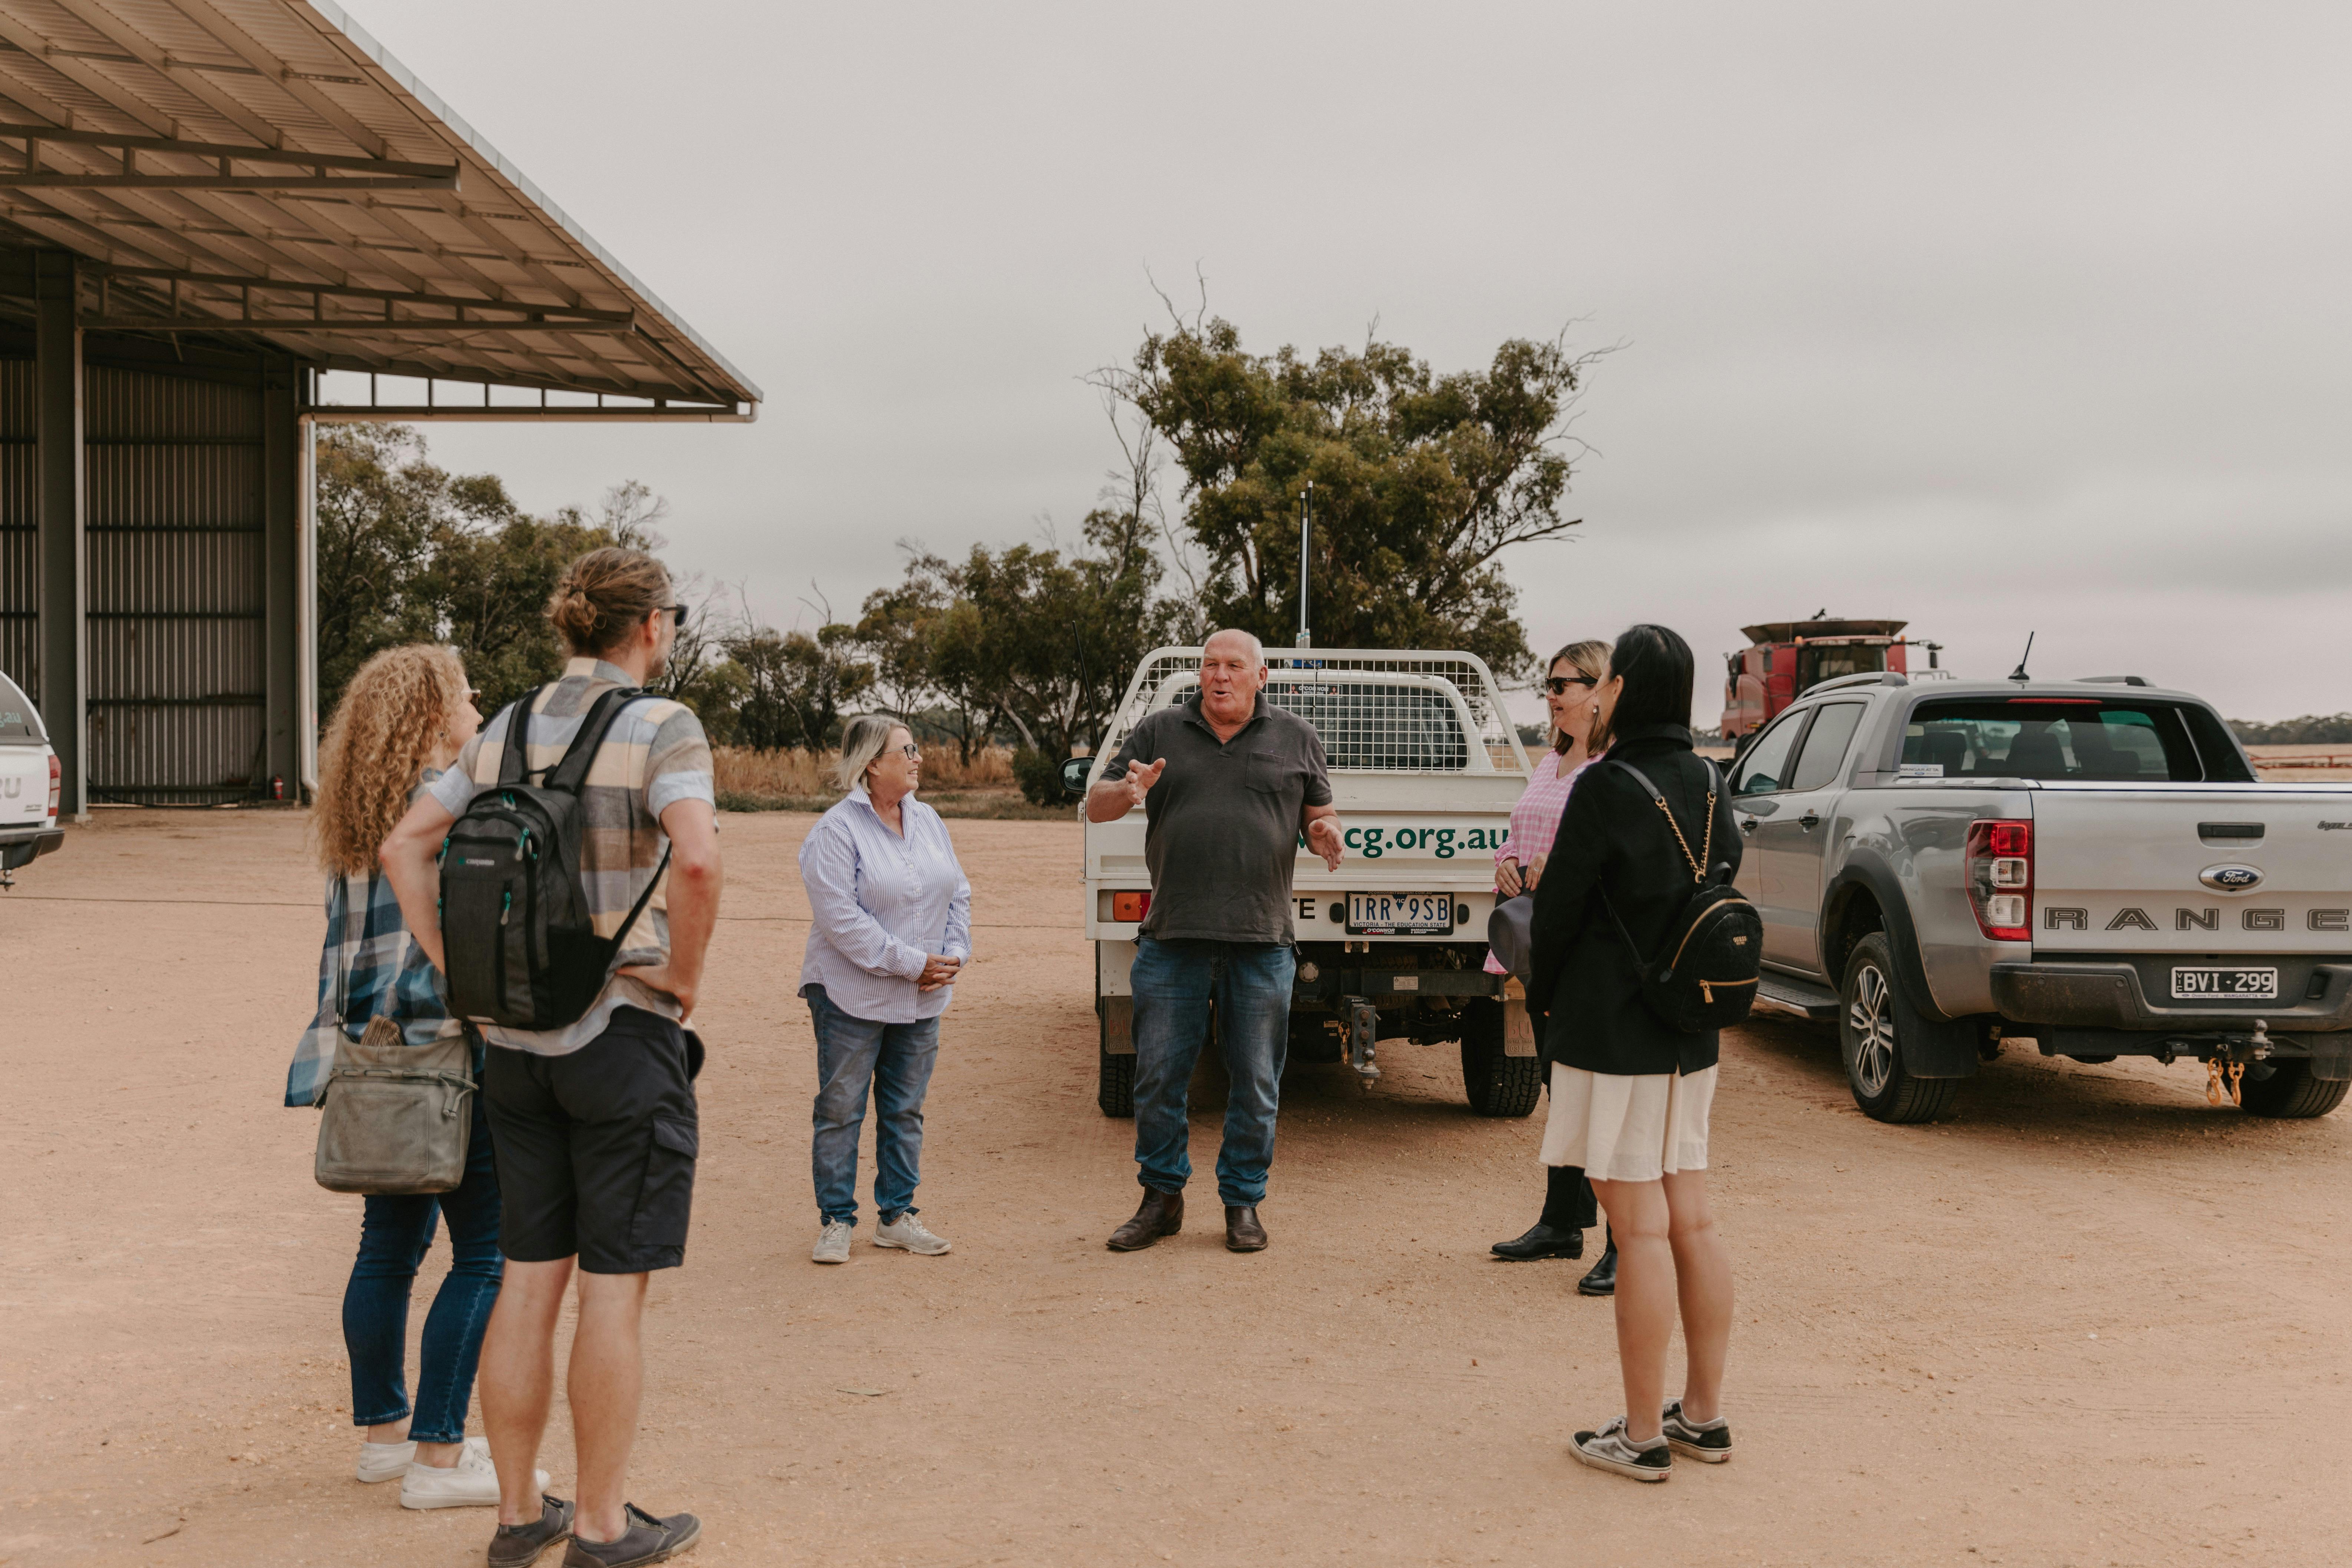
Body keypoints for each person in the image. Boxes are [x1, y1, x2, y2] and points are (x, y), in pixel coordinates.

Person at [380, 547, 723, 1567]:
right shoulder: (663, 725)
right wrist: (684, 975)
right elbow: (699, 854)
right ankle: (607, 1525)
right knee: (614, 1288)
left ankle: (517, 1512)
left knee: (528, 1275)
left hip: (515, 1045)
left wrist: (460, 975)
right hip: (621, 1033)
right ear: (652, 626)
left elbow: (407, 844)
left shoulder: (505, 724)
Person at [287, 645, 549, 1510]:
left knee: (387, 1251)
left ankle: (384, 1442)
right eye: (464, 692)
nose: (477, 701)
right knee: (485, 1256)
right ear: (432, 714)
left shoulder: (352, 819)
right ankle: (440, 1456)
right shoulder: (446, 815)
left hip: (367, 1060)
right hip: (447, 1061)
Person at [1526, 625, 1739, 1482]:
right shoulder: (1710, 781)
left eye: (1607, 677)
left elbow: (1558, 916)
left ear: (1624, 689)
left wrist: (1541, 993)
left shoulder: (1607, 785)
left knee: (1637, 1229)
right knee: (1691, 1217)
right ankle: (1703, 1416)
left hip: (1610, 1031)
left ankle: (1642, 1434)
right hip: (1690, 1031)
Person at [1086, 629, 1344, 1254]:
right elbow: (1096, 806)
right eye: (1209, 665)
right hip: (1173, 936)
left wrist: (1327, 833)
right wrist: (1128, 789)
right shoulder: (1157, 732)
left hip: (1261, 940)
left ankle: (1242, 1203)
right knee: (1157, 1077)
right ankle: (1161, 1198)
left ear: (1262, 676)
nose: (1218, 676)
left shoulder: (1295, 736)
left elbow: (1317, 813)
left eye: (1233, 665)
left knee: (1255, 1079)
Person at [798, 715, 972, 1265]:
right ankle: (835, 1219)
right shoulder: (835, 831)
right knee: (841, 1107)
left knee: (904, 1110)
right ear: (873, 763)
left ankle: (897, 1216)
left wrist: (954, 951)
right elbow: (840, 921)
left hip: (922, 996)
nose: (919, 757)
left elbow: (958, 890)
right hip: (852, 994)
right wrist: (912, 962)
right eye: (908, 749)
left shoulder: (928, 820)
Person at [1487, 640, 1619, 1296]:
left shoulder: (1613, 764)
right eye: (1549, 683)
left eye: (1565, 683)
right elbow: (1521, 830)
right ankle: (1561, 1222)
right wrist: (1507, 860)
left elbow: (1613, 850)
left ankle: (1625, 1238)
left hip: (1590, 945)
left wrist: (1561, 868)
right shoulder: (1553, 759)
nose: (1552, 693)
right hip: (1543, 943)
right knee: (1558, 1085)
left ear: (1600, 689)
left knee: (1602, 1094)